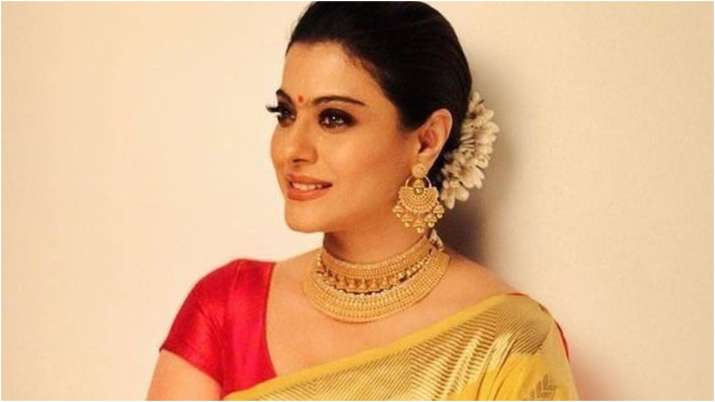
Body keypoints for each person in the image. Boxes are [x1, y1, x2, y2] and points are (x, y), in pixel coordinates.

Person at [146, 2, 579, 400]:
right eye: (285, 114)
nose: (291, 149)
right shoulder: (227, 308)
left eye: (334, 118)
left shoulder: (505, 342)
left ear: (427, 141)